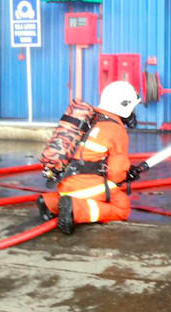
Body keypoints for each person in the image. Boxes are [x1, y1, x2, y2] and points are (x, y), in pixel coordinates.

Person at [36, 81, 146, 234]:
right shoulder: (115, 129)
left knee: (76, 193)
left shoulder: (91, 117)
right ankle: (75, 210)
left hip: (65, 182)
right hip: (85, 185)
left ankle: (49, 202)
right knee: (122, 206)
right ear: (125, 105)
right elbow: (116, 173)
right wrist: (125, 175)